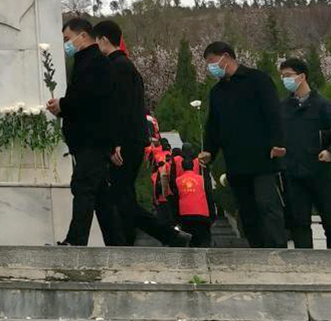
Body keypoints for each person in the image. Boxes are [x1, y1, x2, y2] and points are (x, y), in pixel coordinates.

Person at [94, 20, 184, 247]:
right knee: (124, 197)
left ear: (103, 40)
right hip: (131, 141)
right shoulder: (125, 66)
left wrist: (115, 143)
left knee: (120, 199)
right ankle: (128, 241)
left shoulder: (118, 67)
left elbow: (120, 109)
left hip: (125, 143)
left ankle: (170, 236)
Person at [199, 42, 286, 247]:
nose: (211, 68)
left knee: (267, 204)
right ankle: (257, 250)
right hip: (235, 161)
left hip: (262, 157)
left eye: (212, 62)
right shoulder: (217, 92)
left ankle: (278, 248)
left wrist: (277, 142)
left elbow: (273, 112)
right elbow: (214, 125)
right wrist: (210, 151)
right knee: (246, 210)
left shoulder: (257, 80)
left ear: (226, 57)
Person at [47, 15, 121, 246]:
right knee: (100, 196)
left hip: (92, 139)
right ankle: (117, 244)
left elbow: (88, 100)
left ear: (83, 36)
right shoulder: (86, 62)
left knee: (84, 188)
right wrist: (63, 109)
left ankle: (76, 240)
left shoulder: (95, 63)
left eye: (68, 38)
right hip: (89, 139)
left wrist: (64, 105)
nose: (66, 44)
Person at [279, 57, 331, 249]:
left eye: (288, 76)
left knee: (330, 222)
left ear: (302, 77)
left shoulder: (322, 104)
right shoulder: (283, 107)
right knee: (299, 223)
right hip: (293, 173)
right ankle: (305, 265)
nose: (284, 80)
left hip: (320, 172)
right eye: (282, 76)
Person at [170, 142, 217, 246]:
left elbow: (174, 198)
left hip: (185, 213)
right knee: (204, 242)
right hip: (202, 212)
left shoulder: (176, 170)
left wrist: (176, 218)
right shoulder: (202, 176)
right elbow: (209, 193)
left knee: (190, 242)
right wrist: (212, 213)